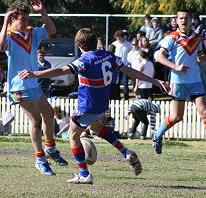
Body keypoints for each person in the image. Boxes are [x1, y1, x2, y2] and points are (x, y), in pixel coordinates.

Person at [18, 27, 169, 184]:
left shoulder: (85, 60)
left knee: (73, 134)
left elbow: (62, 70)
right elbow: (130, 71)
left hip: (87, 105)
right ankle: (126, 152)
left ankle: (84, 174)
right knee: (96, 127)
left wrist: (35, 73)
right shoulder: (109, 56)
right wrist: (155, 81)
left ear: (80, 45)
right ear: (95, 41)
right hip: (102, 104)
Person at [0, 0, 68, 176]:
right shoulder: (10, 35)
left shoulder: (31, 33)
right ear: (13, 19)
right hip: (19, 86)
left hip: (33, 84)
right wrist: (5, 21)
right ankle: (40, 159)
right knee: (36, 120)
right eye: (22, 19)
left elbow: (52, 31)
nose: (26, 23)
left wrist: (43, 11)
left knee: (49, 114)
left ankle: (50, 149)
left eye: (28, 19)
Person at [153, 9, 206, 160]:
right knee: (177, 117)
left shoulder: (197, 38)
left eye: (186, 18)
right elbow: (157, 55)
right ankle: (157, 134)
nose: (184, 21)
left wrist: (202, 58)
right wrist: (175, 66)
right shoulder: (172, 38)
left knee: (204, 113)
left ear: (191, 21)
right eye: (181, 18)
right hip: (178, 82)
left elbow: (200, 55)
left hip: (195, 81)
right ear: (176, 21)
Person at [112, 29, 132, 100]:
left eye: (120, 37)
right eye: (117, 37)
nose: (118, 39)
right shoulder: (114, 44)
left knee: (125, 82)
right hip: (116, 67)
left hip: (125, 66)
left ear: (123, 37)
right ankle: (117, 97)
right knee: (116, 83)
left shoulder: (128, 44)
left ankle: (126, 97)